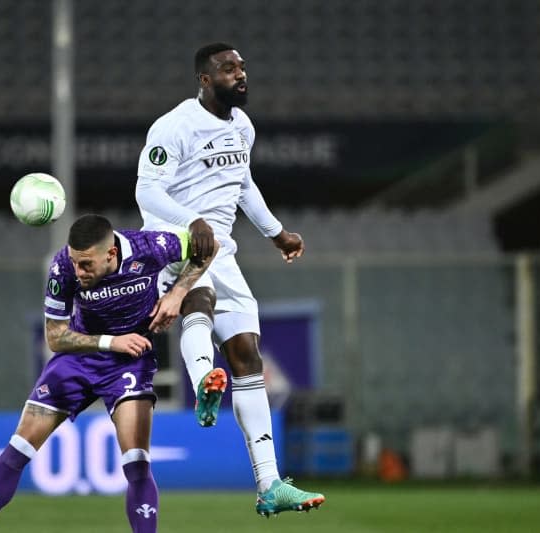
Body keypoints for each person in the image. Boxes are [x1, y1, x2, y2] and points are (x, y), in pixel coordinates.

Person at [135, 42, 325, 516]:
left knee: (247, 355)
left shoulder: (243, 127)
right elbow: (147, 189)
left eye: (241, 68)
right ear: (205, 79)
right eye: (227, 69)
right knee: (198, 299)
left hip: (222, 249)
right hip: (175, 241)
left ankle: (270, 485)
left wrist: (276, 233)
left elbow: (243, 184)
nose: (239, 75)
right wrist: (191, 222)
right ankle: (203, 380)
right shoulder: (173, 127)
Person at [0, 214, 219, 533]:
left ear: (110, 254)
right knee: (18, 449)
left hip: (131, 362)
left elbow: (207, 246)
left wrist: (177, 293)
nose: (78, 271)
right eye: (75, 262)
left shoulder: (151, 248)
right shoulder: (63, 267)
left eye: (86, 264)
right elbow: (55, 336)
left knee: (137, 463)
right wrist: (112, 342)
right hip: (80, 358)